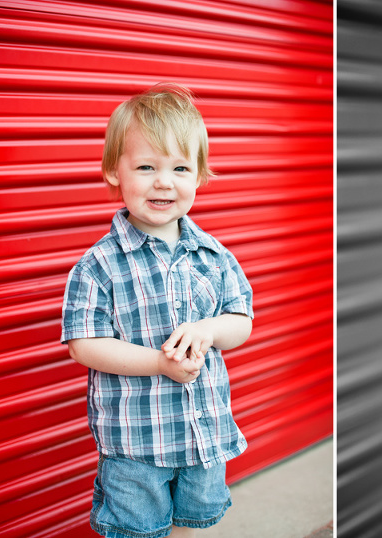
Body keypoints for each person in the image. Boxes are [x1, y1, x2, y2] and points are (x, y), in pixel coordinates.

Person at [61, 84, 254, 538]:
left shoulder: (214, 255)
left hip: (202, 433)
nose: (164, 181)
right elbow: (83, 345)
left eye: (180, 168)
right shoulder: (99, 265)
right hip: (136, 443)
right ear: (114, 172)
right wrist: (158, 364)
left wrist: (209, 330)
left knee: (190, 521)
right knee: (138, 529)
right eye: (146, 167)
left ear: (200, 176)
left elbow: (240, 322)